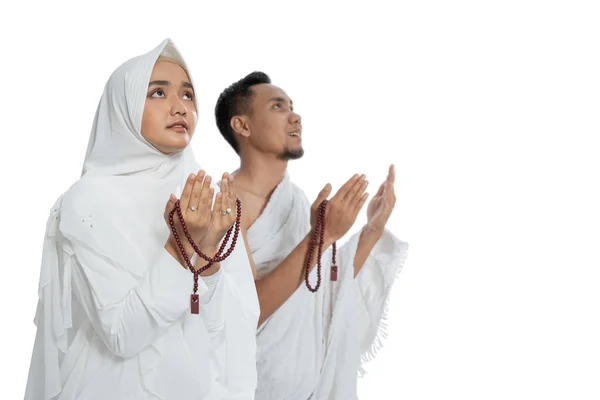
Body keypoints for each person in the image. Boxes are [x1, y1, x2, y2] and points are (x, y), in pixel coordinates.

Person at [25, 39, 258, 400]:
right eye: (158, 93)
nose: (180, 107)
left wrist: (208, 248)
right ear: (125, 105)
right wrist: (179, 246)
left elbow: (219, 331)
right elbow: (121, 335)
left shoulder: (200, 192)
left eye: (188, 94)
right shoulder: (86, 202)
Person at [215, 71, 409, 399]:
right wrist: (321, 236)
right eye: (278, 106)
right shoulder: (225, 202)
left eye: (291, 105)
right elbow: (247, 311)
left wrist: (371, 230)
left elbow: (321, 289)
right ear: (243, 126)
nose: (295, 115)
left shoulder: (295, 200)